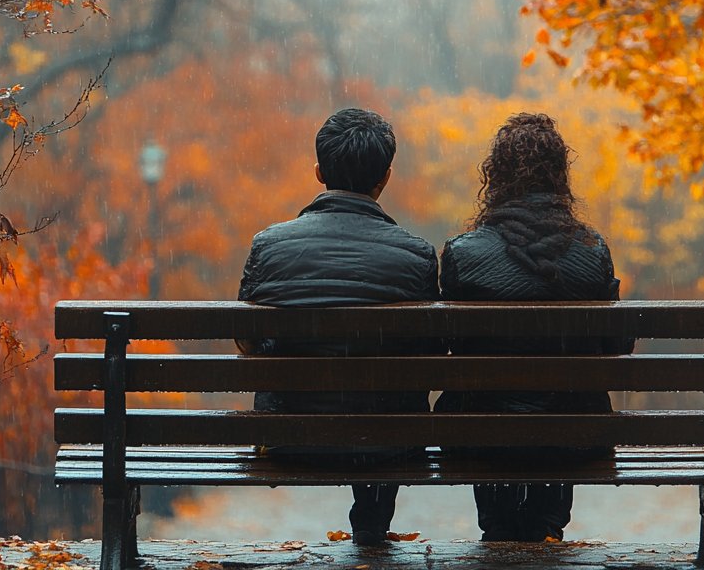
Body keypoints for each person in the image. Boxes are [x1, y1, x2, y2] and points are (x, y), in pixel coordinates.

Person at [236, 107, 439, 547]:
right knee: (388, 405)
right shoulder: (417, 255)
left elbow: (248, 340)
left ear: (318, 171)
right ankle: (372, 521)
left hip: (289, 438)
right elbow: (428, 354)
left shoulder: (268, 246)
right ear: (385, 177)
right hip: (389, 445)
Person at [435, 112, 632, 542]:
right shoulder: (592, 250)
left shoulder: (463, 254)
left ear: (496, 178)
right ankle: (546, 526)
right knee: (566, 410)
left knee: (479, 404)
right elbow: (617, 345)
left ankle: (500, 528)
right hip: (574, 438)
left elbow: (446, 348)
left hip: (480, 438)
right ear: (559, 177)